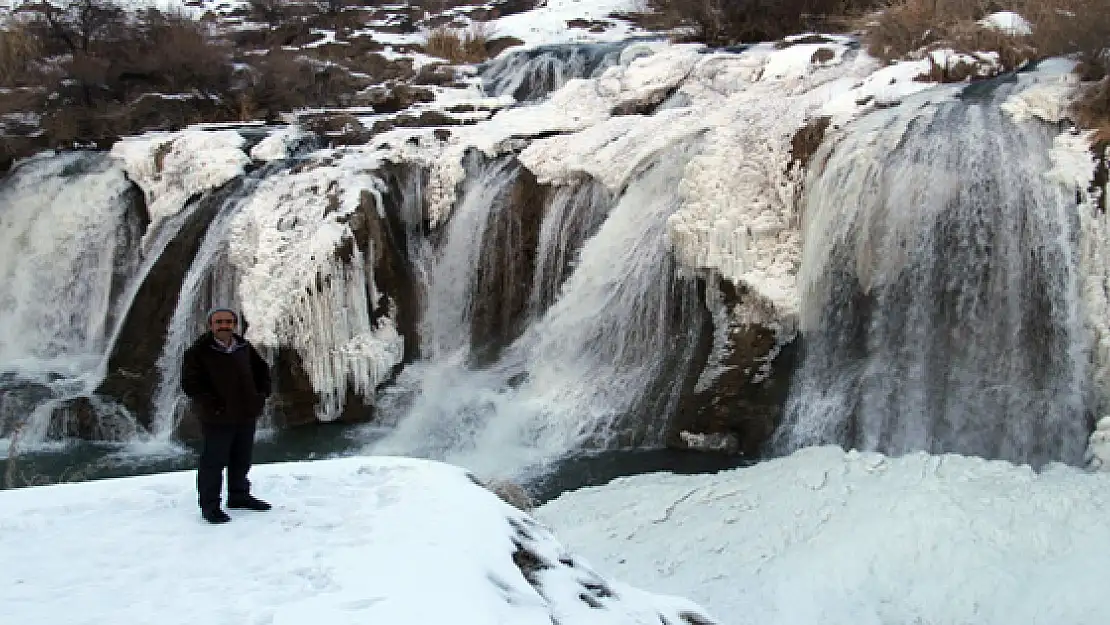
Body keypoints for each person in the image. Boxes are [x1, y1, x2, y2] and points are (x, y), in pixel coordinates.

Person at [181, 307, 273, 524]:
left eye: (228, 322)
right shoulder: (198, 351)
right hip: (217, 417)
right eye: (219, 322)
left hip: (245, 414)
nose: (224, 325)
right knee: (213, 462)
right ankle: (210, 506)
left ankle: (239, 496)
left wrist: (261, 396)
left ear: (235, 324)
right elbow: (190, 384)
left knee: (242, 459)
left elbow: (262, 371)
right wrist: (212, 405)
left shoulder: (243, 347)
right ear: (210, 325)